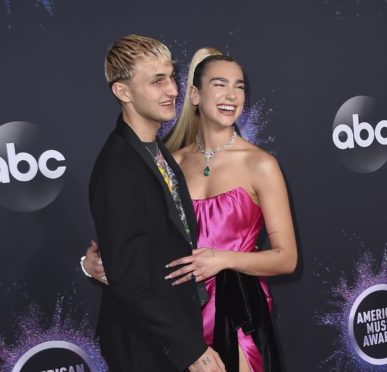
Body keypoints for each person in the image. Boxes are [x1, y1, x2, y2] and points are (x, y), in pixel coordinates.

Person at [84, 47, 298, 371]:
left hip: (234, 307)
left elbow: (287, 258)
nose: (231, 95)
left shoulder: (261, 165)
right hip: (176, 317)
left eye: (239, 86)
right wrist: (94, 264)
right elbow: (132, 240)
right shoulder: (168, 161)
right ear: (195, 95)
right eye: (220, 84)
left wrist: (222, 259)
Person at [87, 35, 225, 372]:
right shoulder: (118, 168)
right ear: (123, 92)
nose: (173, 91)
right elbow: (131, 285)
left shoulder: (154, 149)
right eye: (157, 81)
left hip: (170, 332)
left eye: (171, 77)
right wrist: (192, 350)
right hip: (144, 348)